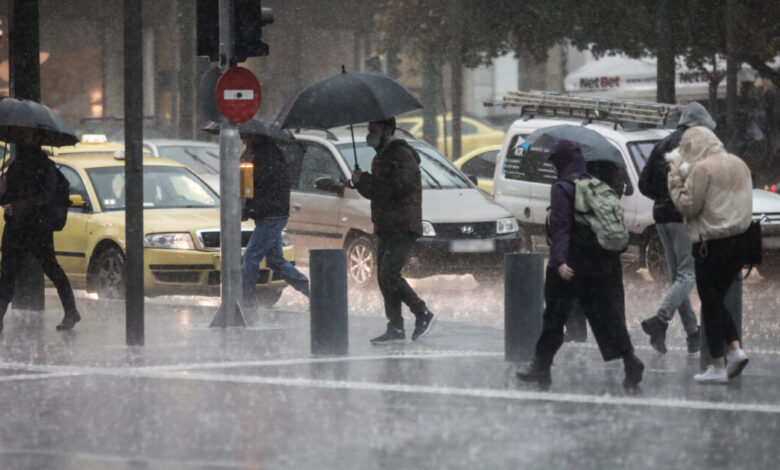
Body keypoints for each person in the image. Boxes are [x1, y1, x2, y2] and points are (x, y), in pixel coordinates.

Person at [516, 139, 644, 389]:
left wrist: (559, 262)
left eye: (554, 163)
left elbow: (561, 228)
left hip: (572, 266)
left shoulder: (563, 188)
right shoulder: (596, 185)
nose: (553, 168)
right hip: (600, 263)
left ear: (562, 162)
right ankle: (631, 360)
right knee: (607, 315)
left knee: (554, 317)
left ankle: (540, 367)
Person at [668, 126, 752, 384]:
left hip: (712, 243)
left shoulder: (703, 169)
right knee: (716, 300)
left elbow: (687, 206)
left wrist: (674, 179)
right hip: (741, 241)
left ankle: (718, 365)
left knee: (711, 302)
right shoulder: (739, 164)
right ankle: (735, 351)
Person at [637, 102, 716, 354]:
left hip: (661, 217)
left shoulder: (663, 143)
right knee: (687, 274)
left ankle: (693, 334)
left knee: (677, 276)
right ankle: (660, 320)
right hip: (684, 216)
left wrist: (662, 197)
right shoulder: (697, 144)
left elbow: (643, 183)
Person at [351, 117, 436, 344]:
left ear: (387, 131)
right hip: (386, 225)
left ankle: (422, 312)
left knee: (389, 273)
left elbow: (394, 188)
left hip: (402, 225)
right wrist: (360, 182)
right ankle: (395, 327)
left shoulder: (400, 154)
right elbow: (376, 192)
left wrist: (367, 180)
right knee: (383, 277)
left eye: (373, 129)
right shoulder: (382, 156)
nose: (369, 133)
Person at [0, 130, 80, 332]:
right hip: (16, 228)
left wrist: (17, 207)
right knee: (7, 273)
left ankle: (71, 311)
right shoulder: (15, 166)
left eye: (26, 136)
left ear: (37, 140)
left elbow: (44, 198)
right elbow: (9, 198)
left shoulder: (46, 168)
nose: (22, 139)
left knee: (51, 268)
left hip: (37, 229)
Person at [241, 133, 310, 309]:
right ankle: (312, 291)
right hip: (270, 214)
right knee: (275, 260)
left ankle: (246, 300)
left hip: (271, 215)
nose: (245, 141)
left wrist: (247, 163)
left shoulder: (267, 156)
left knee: (251, 256)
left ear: (258, 137)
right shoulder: (265, 154)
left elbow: (255, 185)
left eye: (248, 137)